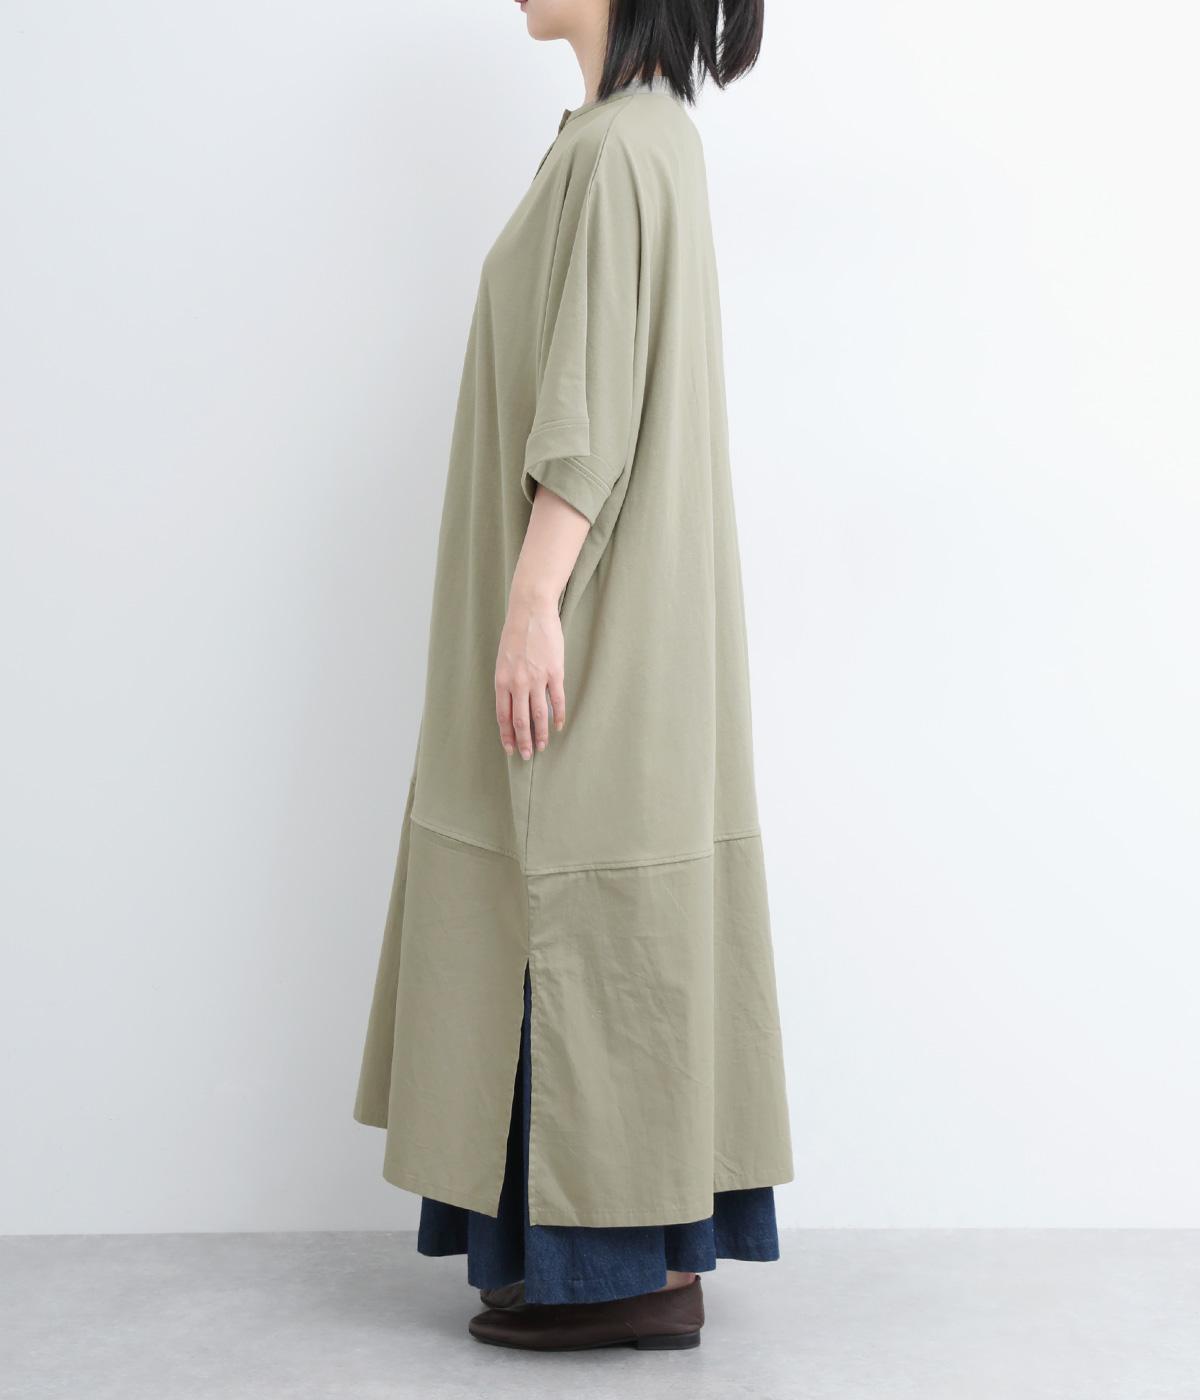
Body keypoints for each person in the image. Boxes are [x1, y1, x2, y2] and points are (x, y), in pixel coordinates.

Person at [354, 0, 793, 1351]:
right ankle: (624, 1260)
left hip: (594, 621)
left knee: (562, 902)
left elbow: (586, 417)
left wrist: (534, 599)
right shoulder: (649, 140)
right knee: (595, 905)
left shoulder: (613, 153)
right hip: (643, 623)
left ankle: (613, 1278)